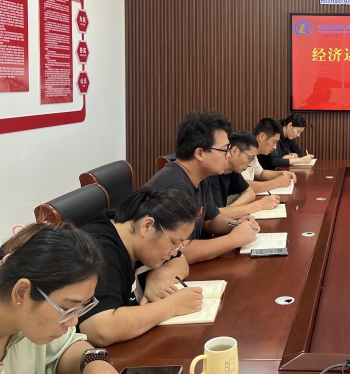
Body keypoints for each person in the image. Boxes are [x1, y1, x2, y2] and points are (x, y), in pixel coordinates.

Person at [78, 188, 204, 346]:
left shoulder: (136, 234)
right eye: (173, 242)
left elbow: (180, 261)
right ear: (147, 226)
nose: (174, 251)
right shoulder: (99, 250)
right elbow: (99, 329)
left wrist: (159, 277)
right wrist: (172, 306)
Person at [0, 222, 118, 374]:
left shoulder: (31, 321)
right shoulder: (33, 321)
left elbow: (66, 346)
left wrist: (94, 363)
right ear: (21, 292)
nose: (74, 321)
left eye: (82, 307)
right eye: (67, 309)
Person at [144, 110, 259, 266]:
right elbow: (178, 252)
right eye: (224, 150)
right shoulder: (175, 188)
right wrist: (234, 239)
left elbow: (210, 220)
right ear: (200, 153)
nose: (228, 155)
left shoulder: (201, 177)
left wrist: (236, 225)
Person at [207, 130, 280, 219]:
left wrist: (229, 210)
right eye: (249, 158)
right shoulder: (211, 172)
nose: (250, 165)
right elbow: (216, 215)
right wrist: (260, 205)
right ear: (235, 151)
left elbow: (250, 193)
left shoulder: (232, 169)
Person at [242, 118, 297, 194]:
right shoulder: (244, 152)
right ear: (262, 137)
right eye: (274, 142)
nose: (275, 147)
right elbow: (246, 187)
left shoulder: (254, 154)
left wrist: (283, 173)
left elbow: (261, 174)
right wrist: (277, 182)